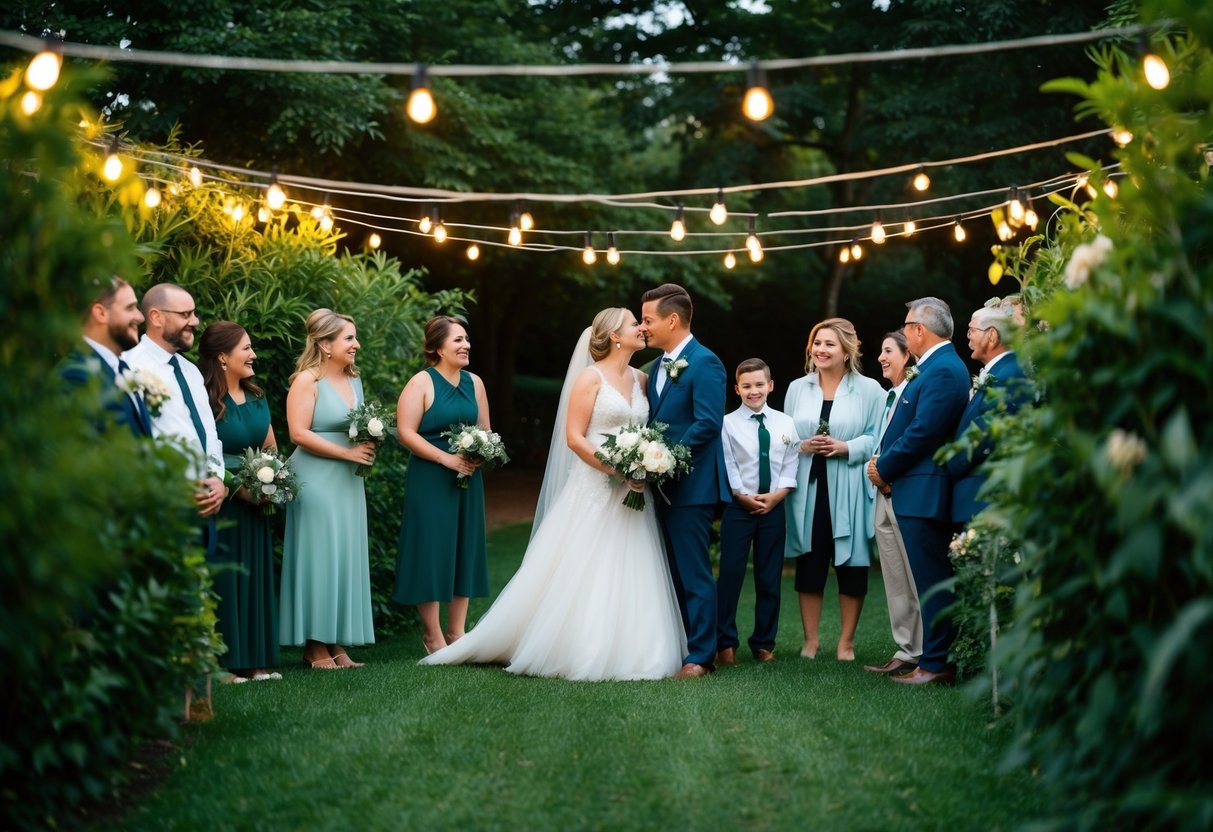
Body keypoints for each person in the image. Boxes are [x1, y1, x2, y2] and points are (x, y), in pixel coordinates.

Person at [420, 309, 686, 680]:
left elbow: (648, 431)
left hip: (633, 491)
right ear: (614, 336)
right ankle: (571, 645)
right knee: (583, 565)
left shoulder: (643, 379)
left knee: (633, 564)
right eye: (633, 323)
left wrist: (644, 464)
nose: (641, 328)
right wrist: (617, 468)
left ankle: (639, 649)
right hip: (594, 485)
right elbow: (575, 438)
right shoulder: (589, 380)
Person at [867, 297, 970, 686]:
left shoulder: (943, 370)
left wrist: (884, 466)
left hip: (923, 490)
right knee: (925, 580)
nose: (906, 330)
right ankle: (928, 657)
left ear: (919, 331)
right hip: (911, 488)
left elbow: (924, 432)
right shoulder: (934, 368)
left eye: (908, 325)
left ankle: (937, 662)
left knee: (931, 581)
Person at [638, 284, 731, 679]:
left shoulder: (706, 362)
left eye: (647, 320)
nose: (643, 328)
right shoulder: (656, 367)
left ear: (672, 320)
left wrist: (665, 460)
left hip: (691, 485)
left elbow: (708, 422)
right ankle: (681, 645)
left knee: (693, 571)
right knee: (671, 570)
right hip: (660, 485)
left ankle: (701, 657)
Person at [280, 309, 376, 669]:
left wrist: (368, 442)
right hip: (315, 478)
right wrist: (347, 452)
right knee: (319, 558)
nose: (356, 344)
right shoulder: (307, 380)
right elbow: (298, 434)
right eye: (349, 338)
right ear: (325, 344)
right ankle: (314, 646)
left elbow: (357, 426)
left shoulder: (354, 381)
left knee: (343, 557)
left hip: (348, 481)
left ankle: (336, 645)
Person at [784, 318, 884, 661]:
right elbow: (786, 435)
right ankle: (810, 640)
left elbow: (878, 436)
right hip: (808, 488)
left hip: (850, 486)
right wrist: (802, 444)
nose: (821, 350)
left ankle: (847, 643)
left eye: (829, 344)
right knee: (809, 561)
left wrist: (846, 448)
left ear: (846, 351)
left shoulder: (870, 390)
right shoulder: (798, 388)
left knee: (852, 563)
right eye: (817, 343)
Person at [394, 317, 491, 656]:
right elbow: (405, 432)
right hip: (430, 477)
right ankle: (433, 634)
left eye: (467, 339)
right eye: (458, 341)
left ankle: (457, 630)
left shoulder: (475, 382)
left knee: (465, 545)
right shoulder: (421, 382)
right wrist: (445, 459)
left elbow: (485, 429)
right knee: (431, 549)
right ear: (437, 348)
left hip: (467, 478)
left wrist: (480, 453)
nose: (466, 346)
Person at [198, 321, 281, 682]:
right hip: (222, 502)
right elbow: (201, 451)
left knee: (254, 576)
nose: (253, 355)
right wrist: (238, 485)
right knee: (226, 579)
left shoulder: (257, 396)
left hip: (256, 502)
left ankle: (256, 660)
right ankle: (222, 663)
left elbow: (272, 449)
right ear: (222, 356)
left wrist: (272, 482)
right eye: (246, 348)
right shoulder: (204, 399)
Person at [122, 283, 227, 539]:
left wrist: (218, 479)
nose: (195, 321)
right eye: (185, 315)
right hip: (162, 509)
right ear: (156, 317)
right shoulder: (129, 367)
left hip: (205, 507)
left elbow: (209, 434)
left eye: (194, 313)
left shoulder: (190, 371)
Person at [715, 358, 800, 666]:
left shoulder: (785, 423)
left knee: (769, 577)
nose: (754, 391)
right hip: (740, 508)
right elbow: (729, 464)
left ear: (770, 386)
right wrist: (742, 496)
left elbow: (791, 463)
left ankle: (763, 643)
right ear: (737, 389)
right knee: (731, 575)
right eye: (747, 386)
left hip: (774, 508)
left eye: (759, 385)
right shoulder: (727, 424)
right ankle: (725, 642)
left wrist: (777, 496)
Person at [863, 331, 924, 676]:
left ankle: (929, 648)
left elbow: (918, 439)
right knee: (895, 577)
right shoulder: (890, 396)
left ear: (907, 354)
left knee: (915, 574)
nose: (881, 358)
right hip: (881, 492)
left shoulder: (915, 391)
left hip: (901, 489)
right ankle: (907, 648)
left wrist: (887, 473)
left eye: (888, 351)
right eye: (881, 351)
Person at [945, 304, 1030, 525]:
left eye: (972, 330)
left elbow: (986, 434)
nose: (968, 337)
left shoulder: (1009, 374)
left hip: (985, 500)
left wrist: (946, 465)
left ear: (991, 335)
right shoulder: (1000, 372)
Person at [62, 276, 152, 438]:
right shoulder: (76, 375)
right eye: (130, 308)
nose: (140, 317)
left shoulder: (122, 368)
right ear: (101, 313)